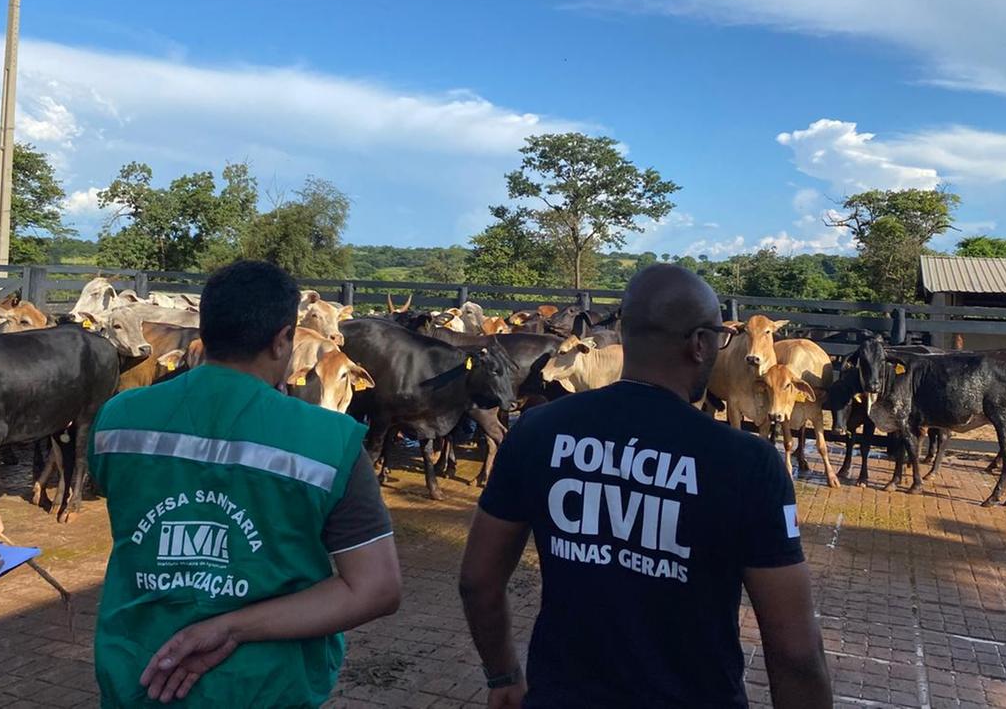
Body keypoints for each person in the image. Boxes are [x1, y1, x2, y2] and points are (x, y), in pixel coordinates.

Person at [459, 264, 831, 708]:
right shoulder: (748, 463)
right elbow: (794, 651)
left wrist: (502, 676)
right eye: (720, 336)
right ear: (700, 343)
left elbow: (478, 580)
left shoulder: (537, 430)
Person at [90, 260, 402, 707]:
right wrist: (229, 626)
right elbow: (375, 588)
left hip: (139, 672)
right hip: (264, 685)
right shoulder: (329, 440)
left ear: (206, 328)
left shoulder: (117, 418)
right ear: (282, 341)